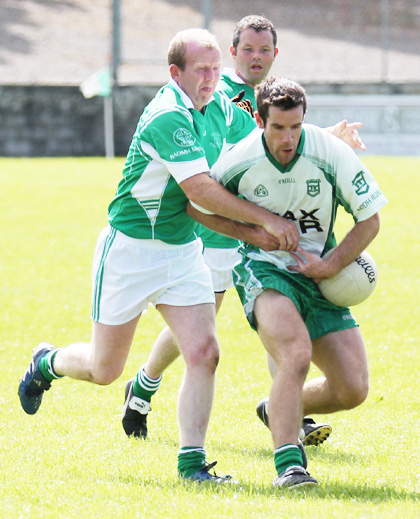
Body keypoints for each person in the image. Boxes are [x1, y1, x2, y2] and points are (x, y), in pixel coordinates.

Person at [18, 29, 301, 484]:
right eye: (201, 70)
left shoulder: (220, 110)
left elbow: (265, 141)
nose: (212, 78)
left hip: (183, 251)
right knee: (104, 369)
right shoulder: (168, 116)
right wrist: (264, 223)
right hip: (129, 252)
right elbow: (201, 191)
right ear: (176, 72)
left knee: (205, 352)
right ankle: (46, 362)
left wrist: (324, 139)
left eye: (214, 69)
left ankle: (192, 465)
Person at [121, 15, 365, 447]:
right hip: (216, 231)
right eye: (247, 49)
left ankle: (292, 413)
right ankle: (145, 381)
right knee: (202, 323)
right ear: (232, 54)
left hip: (260, 233)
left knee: (284, 322)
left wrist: (330, 137)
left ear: (275, 54)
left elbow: (285, 143)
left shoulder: (273, 100)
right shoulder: (216, 94)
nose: (256, 56)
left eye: (264, 49)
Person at [187, 76, 388, 488]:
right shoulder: (239, 158)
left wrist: (331, 264)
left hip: (318, 271)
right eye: (278, 128)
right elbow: (197, 205)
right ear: (260, 121)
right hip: (264, 268)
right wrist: (255, 232)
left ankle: (275, 407)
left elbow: (370, 219)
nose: (288, 137)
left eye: (295, 127)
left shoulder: (330, 153)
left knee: (353, 389)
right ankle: (289, 467)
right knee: (295, 353)